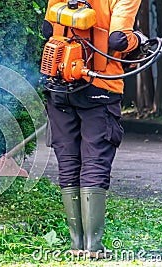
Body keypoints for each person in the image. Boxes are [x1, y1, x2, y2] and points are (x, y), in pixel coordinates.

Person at [41, 0, 143, 257]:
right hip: (100, 87)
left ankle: (76, 245)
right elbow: (119, 39)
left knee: (68, 162)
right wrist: (138, 42)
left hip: (59, 84)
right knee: (95, 160)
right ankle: (93, 247)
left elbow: (47, 28)